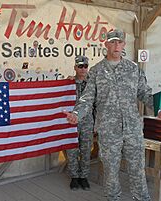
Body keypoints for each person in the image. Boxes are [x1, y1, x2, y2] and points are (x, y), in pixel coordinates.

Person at [63, 29, 154, 201]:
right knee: (111, 173)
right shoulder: (96, 71)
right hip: (109, 131)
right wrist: (76, 114)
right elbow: (87, 99)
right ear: (106, 44)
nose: (116, 45)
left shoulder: (133, 69)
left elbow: (145, 94)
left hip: (133, 129)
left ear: (124, 45)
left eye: (119, 42)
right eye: (112, 42)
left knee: (137, 169)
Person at [66, 55, 94, 191]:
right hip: (72, 122)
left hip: (88, 121)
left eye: (85, 66)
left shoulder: (93, 83)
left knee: (86, 149)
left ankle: (84, 177)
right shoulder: (69, 83)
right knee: (72, 149)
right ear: (75, 67)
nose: (83, 69)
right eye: (80, 66)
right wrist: (66, 83)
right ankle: (74, 177)